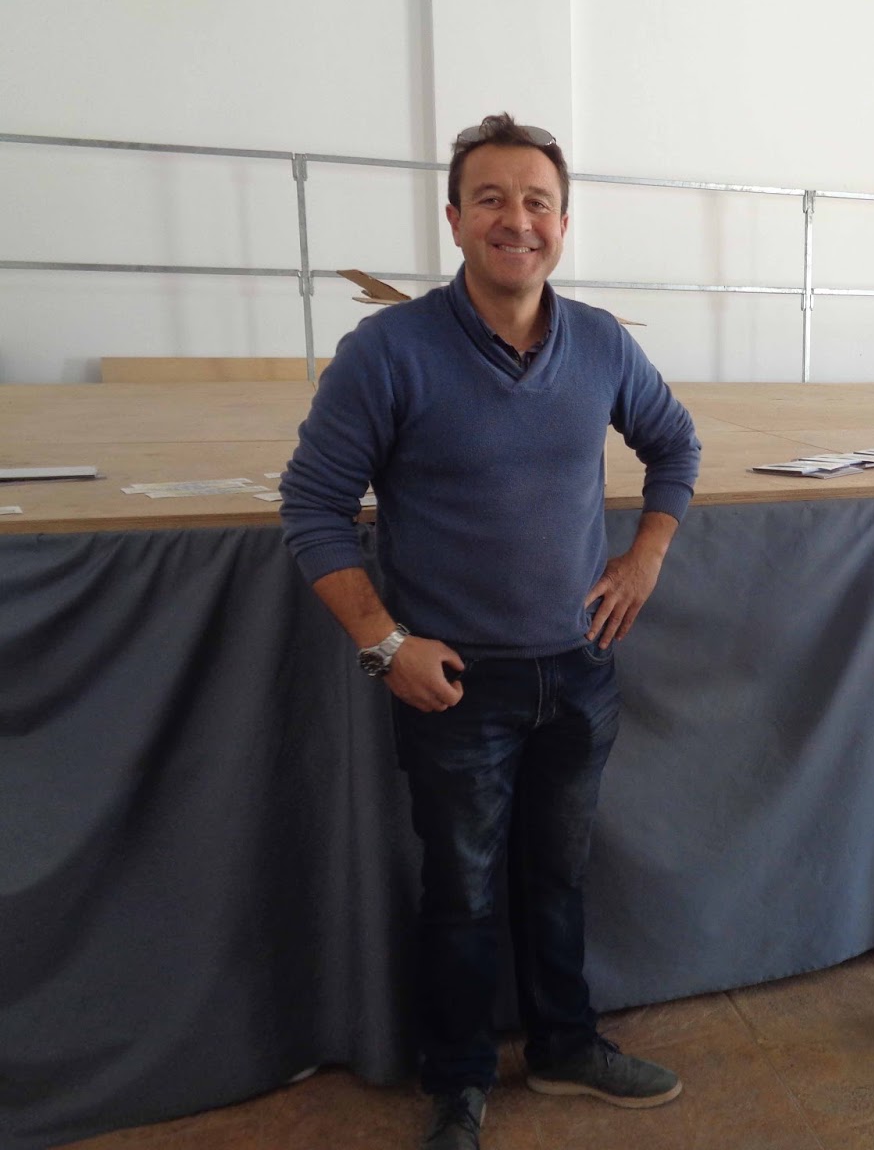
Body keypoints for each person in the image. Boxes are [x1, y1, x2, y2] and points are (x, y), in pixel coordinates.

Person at [279, 114, 701, 1150]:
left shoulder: (601, 342)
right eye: (493, 199)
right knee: (462, 893)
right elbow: (313, 507)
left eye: (538, 201)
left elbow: (674, 445)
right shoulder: (389, 352)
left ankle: (563, 1045)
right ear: (455, 218)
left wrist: (645, 555)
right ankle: (459, 1082)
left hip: (578, 671)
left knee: (558, 874)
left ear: (564, 222)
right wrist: (387, 645)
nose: (518, 220)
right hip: (456, 685)